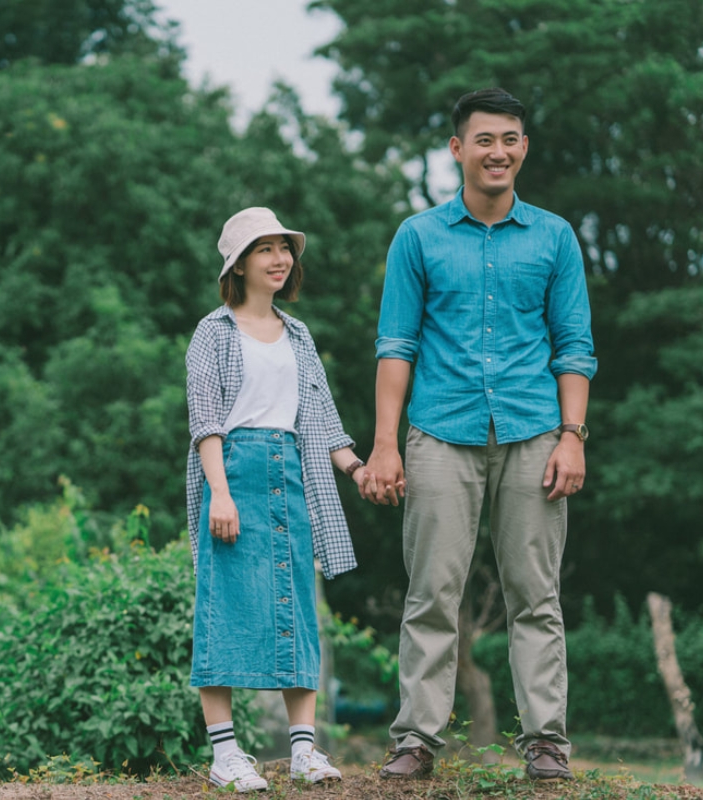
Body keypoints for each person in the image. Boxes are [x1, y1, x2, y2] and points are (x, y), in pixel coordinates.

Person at [363, 88, 596, 782]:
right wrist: (384, 443)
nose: (499, 151)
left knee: (537, 594)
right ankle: (418, 742)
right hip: (439, 432)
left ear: (524, 147)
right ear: (458, 148)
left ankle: (546, 742)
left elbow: (574, 346)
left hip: (534, 432)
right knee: (432, 591)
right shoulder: (418, 236)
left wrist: (573, 435)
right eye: (484, 139)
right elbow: (396, 344)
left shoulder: (554, 236)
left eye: (511, 138)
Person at [185, 207, 379, 792]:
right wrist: (220, 492)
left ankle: (303, 751)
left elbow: (320, 418)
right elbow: (205, 421)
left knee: (297, 611)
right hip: (234, 473)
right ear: (239, 264)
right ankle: (226, 755)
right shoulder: (211, 332)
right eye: (264, 249)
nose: (279, 259)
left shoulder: (298, 334)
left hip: (291, 476)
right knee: (222, 609)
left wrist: (358, 468)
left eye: (284, 248)